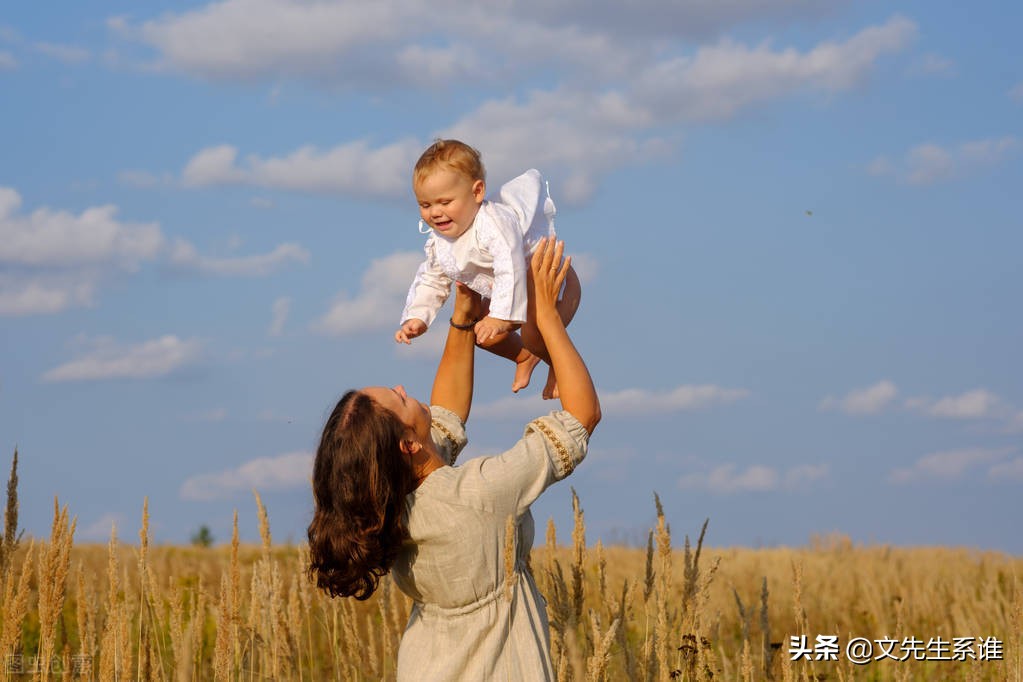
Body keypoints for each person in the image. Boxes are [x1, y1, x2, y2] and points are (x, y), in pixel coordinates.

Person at [310, 238, 600, 680]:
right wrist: (545, 317)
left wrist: (463, 316)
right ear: (407, 445)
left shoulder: (394, 504)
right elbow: (581, 417)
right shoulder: (478, 494)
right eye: (399, 399)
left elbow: (443, 419)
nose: (407, 390)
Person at [394, 139, 582, 399]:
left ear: (477, 192)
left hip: (552, 283)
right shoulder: (441, 241)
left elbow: (510, 265)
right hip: (516, 295)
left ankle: (559, 370)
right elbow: (432, 278)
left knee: (533, 334)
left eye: (445, 202)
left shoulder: (493, 223)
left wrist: (502, 317)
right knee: (480, 333)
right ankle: (524, 357)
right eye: (425, 205)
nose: (435, 212)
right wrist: (417, 317)